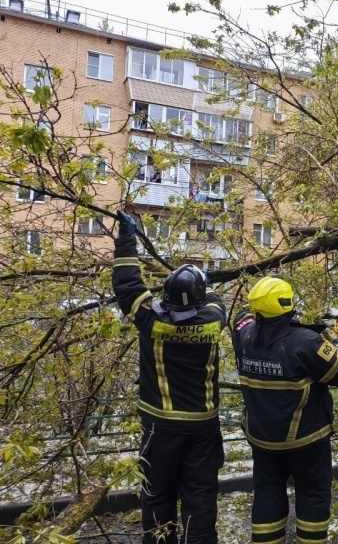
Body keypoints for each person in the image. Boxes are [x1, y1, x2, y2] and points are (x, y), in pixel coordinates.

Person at [112, 210, 226, 544]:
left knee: (157, 495)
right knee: (200, 497)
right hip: (203, 426)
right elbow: (216, 301)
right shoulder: (213, 321)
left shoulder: (150, 320)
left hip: (159, 426)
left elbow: (127, 283)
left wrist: (127, 237)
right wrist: (204, 279)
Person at [231, 275, 338, 544]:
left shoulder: (244, 336)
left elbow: (241, 318)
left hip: (263, 440)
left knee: (267, 493)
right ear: (287, 303)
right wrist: (337, 342)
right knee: (312, 494)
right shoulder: (305, 341)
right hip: (307, 439)